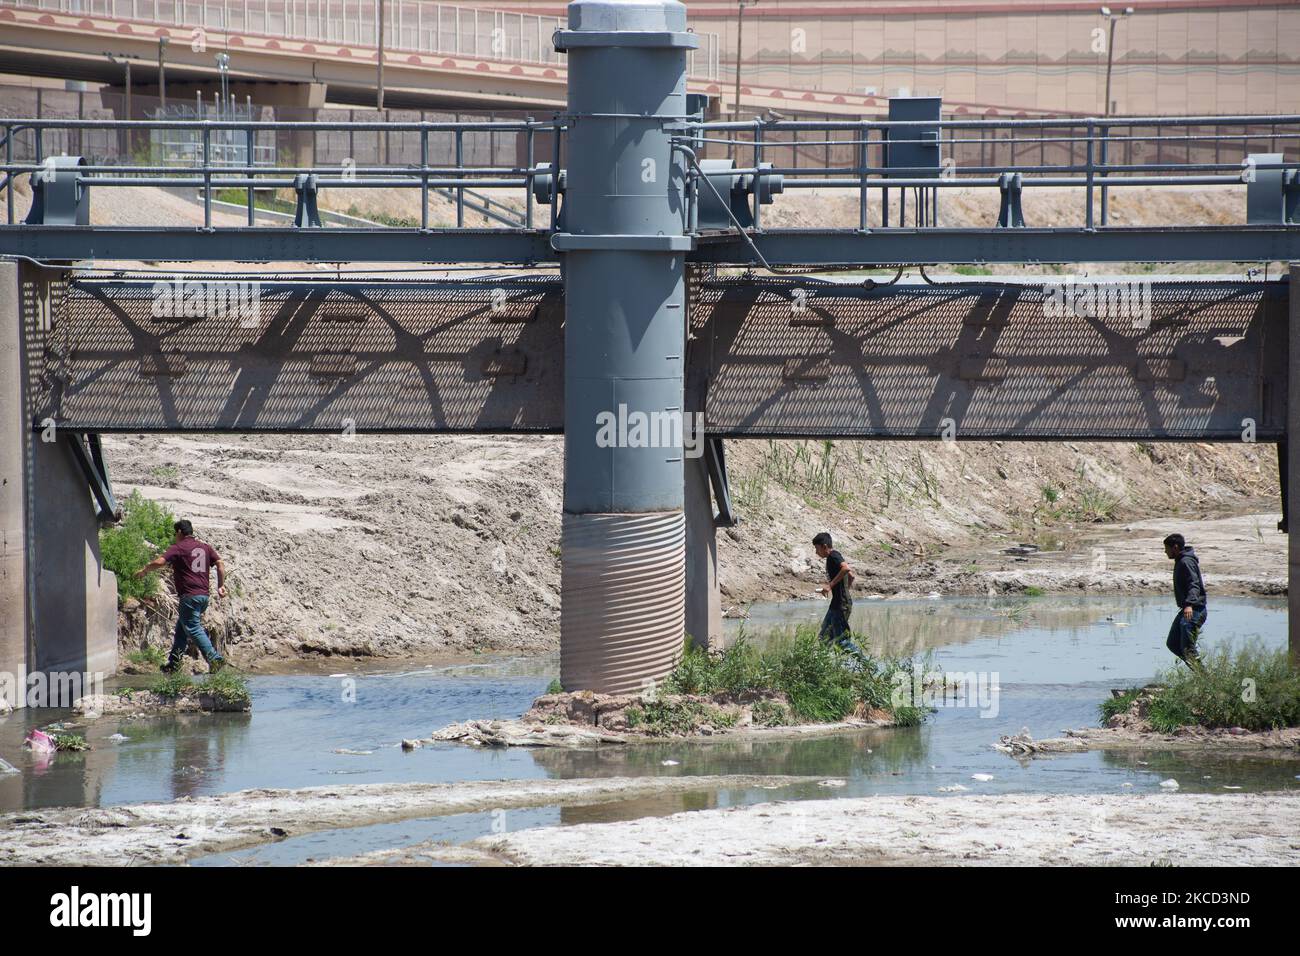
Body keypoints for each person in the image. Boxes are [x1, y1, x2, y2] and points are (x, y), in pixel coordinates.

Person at [135, 519, 229, 674]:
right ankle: (173, 664)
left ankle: (214, 659)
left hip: (189, 596)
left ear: (179, 532)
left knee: (192, 627)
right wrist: (221, 585)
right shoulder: (205, 547)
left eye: (175, 534)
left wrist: (145, 570)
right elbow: (220, 563)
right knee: (181, 628)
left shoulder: (179, 547)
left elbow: (160, 562)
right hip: (203, 596)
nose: (174, 537)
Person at [812, 532, 863, 656]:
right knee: (823, 637)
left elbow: (846, 569)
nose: (816, 552)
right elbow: (851, 576)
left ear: (824, 546)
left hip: (841, 605)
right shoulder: (833, 558)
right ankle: (822, 668)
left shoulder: (833, 556)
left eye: (817, 548)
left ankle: (870, 668)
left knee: (842, 642)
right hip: (837, 603)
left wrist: (830, 586)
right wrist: (844, 591)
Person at [1163, 533, 1206, 673]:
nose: (1165, 552)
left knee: (1187, 647)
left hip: (1194, 609)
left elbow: (1194, 584)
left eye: (1166, 548)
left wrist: (1189, 604)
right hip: (1188, 609)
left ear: (1175, 547)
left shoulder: (1186, 561)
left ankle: (1206, 678)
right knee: (1173, 643)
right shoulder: (1181, 560)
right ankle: (1199, 672)